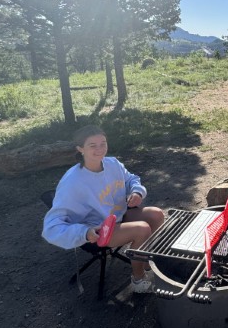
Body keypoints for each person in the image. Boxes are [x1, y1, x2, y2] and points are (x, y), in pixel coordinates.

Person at [42, 125, 165, 293]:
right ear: (80, 149)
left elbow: (131, 179)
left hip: (118, 216)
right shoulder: (72, 181)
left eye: (103, 143)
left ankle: (143, 259)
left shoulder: (112, 163)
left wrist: (137, 192)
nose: (99, 149)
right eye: (92, 145)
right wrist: (84, 232)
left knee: (156, 215)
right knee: (142, 229)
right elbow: (51, 227)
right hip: (99, 230)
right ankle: (138, 280)